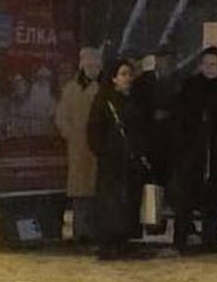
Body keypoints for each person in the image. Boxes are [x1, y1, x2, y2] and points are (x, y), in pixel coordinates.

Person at [170, 46, 217, 253]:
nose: (209, 68)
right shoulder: (190, 86)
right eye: (205, 64)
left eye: (214, 64)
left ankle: (210, 238)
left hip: (215, 150)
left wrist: (214, 112)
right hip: (190, 150)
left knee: (213, 196)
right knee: (185, 196)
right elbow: (179, 110)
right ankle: (182, 238)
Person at [86, 58, 151, 262]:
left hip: (130, 161)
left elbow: (141, 129)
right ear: (113, 78)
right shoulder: (104, 100)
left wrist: (140, 152)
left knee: (129, 201)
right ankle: (108, 242)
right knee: (111, 201)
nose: (127, 78)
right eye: (123, 74)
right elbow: (94, 131)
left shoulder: (135, 100)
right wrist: (105, 151)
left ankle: (124, 241)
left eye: (129, 74)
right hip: (112, 161)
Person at [54, 47, 104, 244]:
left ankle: (96, 233)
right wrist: (72, 136)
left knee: (97, 192)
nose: (93, 70)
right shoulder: (71, 89)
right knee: (81, 194)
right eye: (90, 66)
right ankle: (81, 234)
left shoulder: (104, 88)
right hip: (79, 149)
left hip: (99, 148)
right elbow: (61, 117)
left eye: (96, 66)